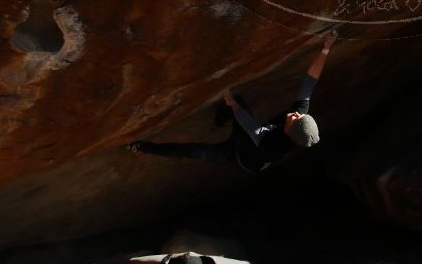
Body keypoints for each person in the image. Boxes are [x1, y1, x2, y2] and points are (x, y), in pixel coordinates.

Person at [129, 32, 336, 172]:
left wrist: (231, 102)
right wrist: (326, 49)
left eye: (294, 118)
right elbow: (310, 82)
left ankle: (141, 147)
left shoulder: (274, 145)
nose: (294, 113)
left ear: (290, 132)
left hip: (237, 155)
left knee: (190, 150)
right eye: (299, 114)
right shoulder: (300, 117)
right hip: (248, 137)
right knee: (235, 102)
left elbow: (249, 125)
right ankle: (218, 122)